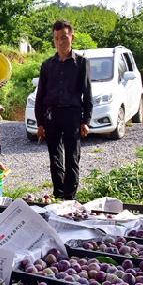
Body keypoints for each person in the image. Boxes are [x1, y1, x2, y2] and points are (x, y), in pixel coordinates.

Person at [34, 20, 93, 200]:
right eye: (57, 38)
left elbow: (87, 92)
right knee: (54, 157)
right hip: (51, 114)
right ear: (54, 40)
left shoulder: (81, 63)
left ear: (71, 37)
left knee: (72, 157)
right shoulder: (47, 65)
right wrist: (40, 122)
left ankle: (70, 197)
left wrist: (86, 120)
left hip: (72, 115)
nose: (61, 42)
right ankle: (58, 194)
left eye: (64, 37)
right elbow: (40, 95)